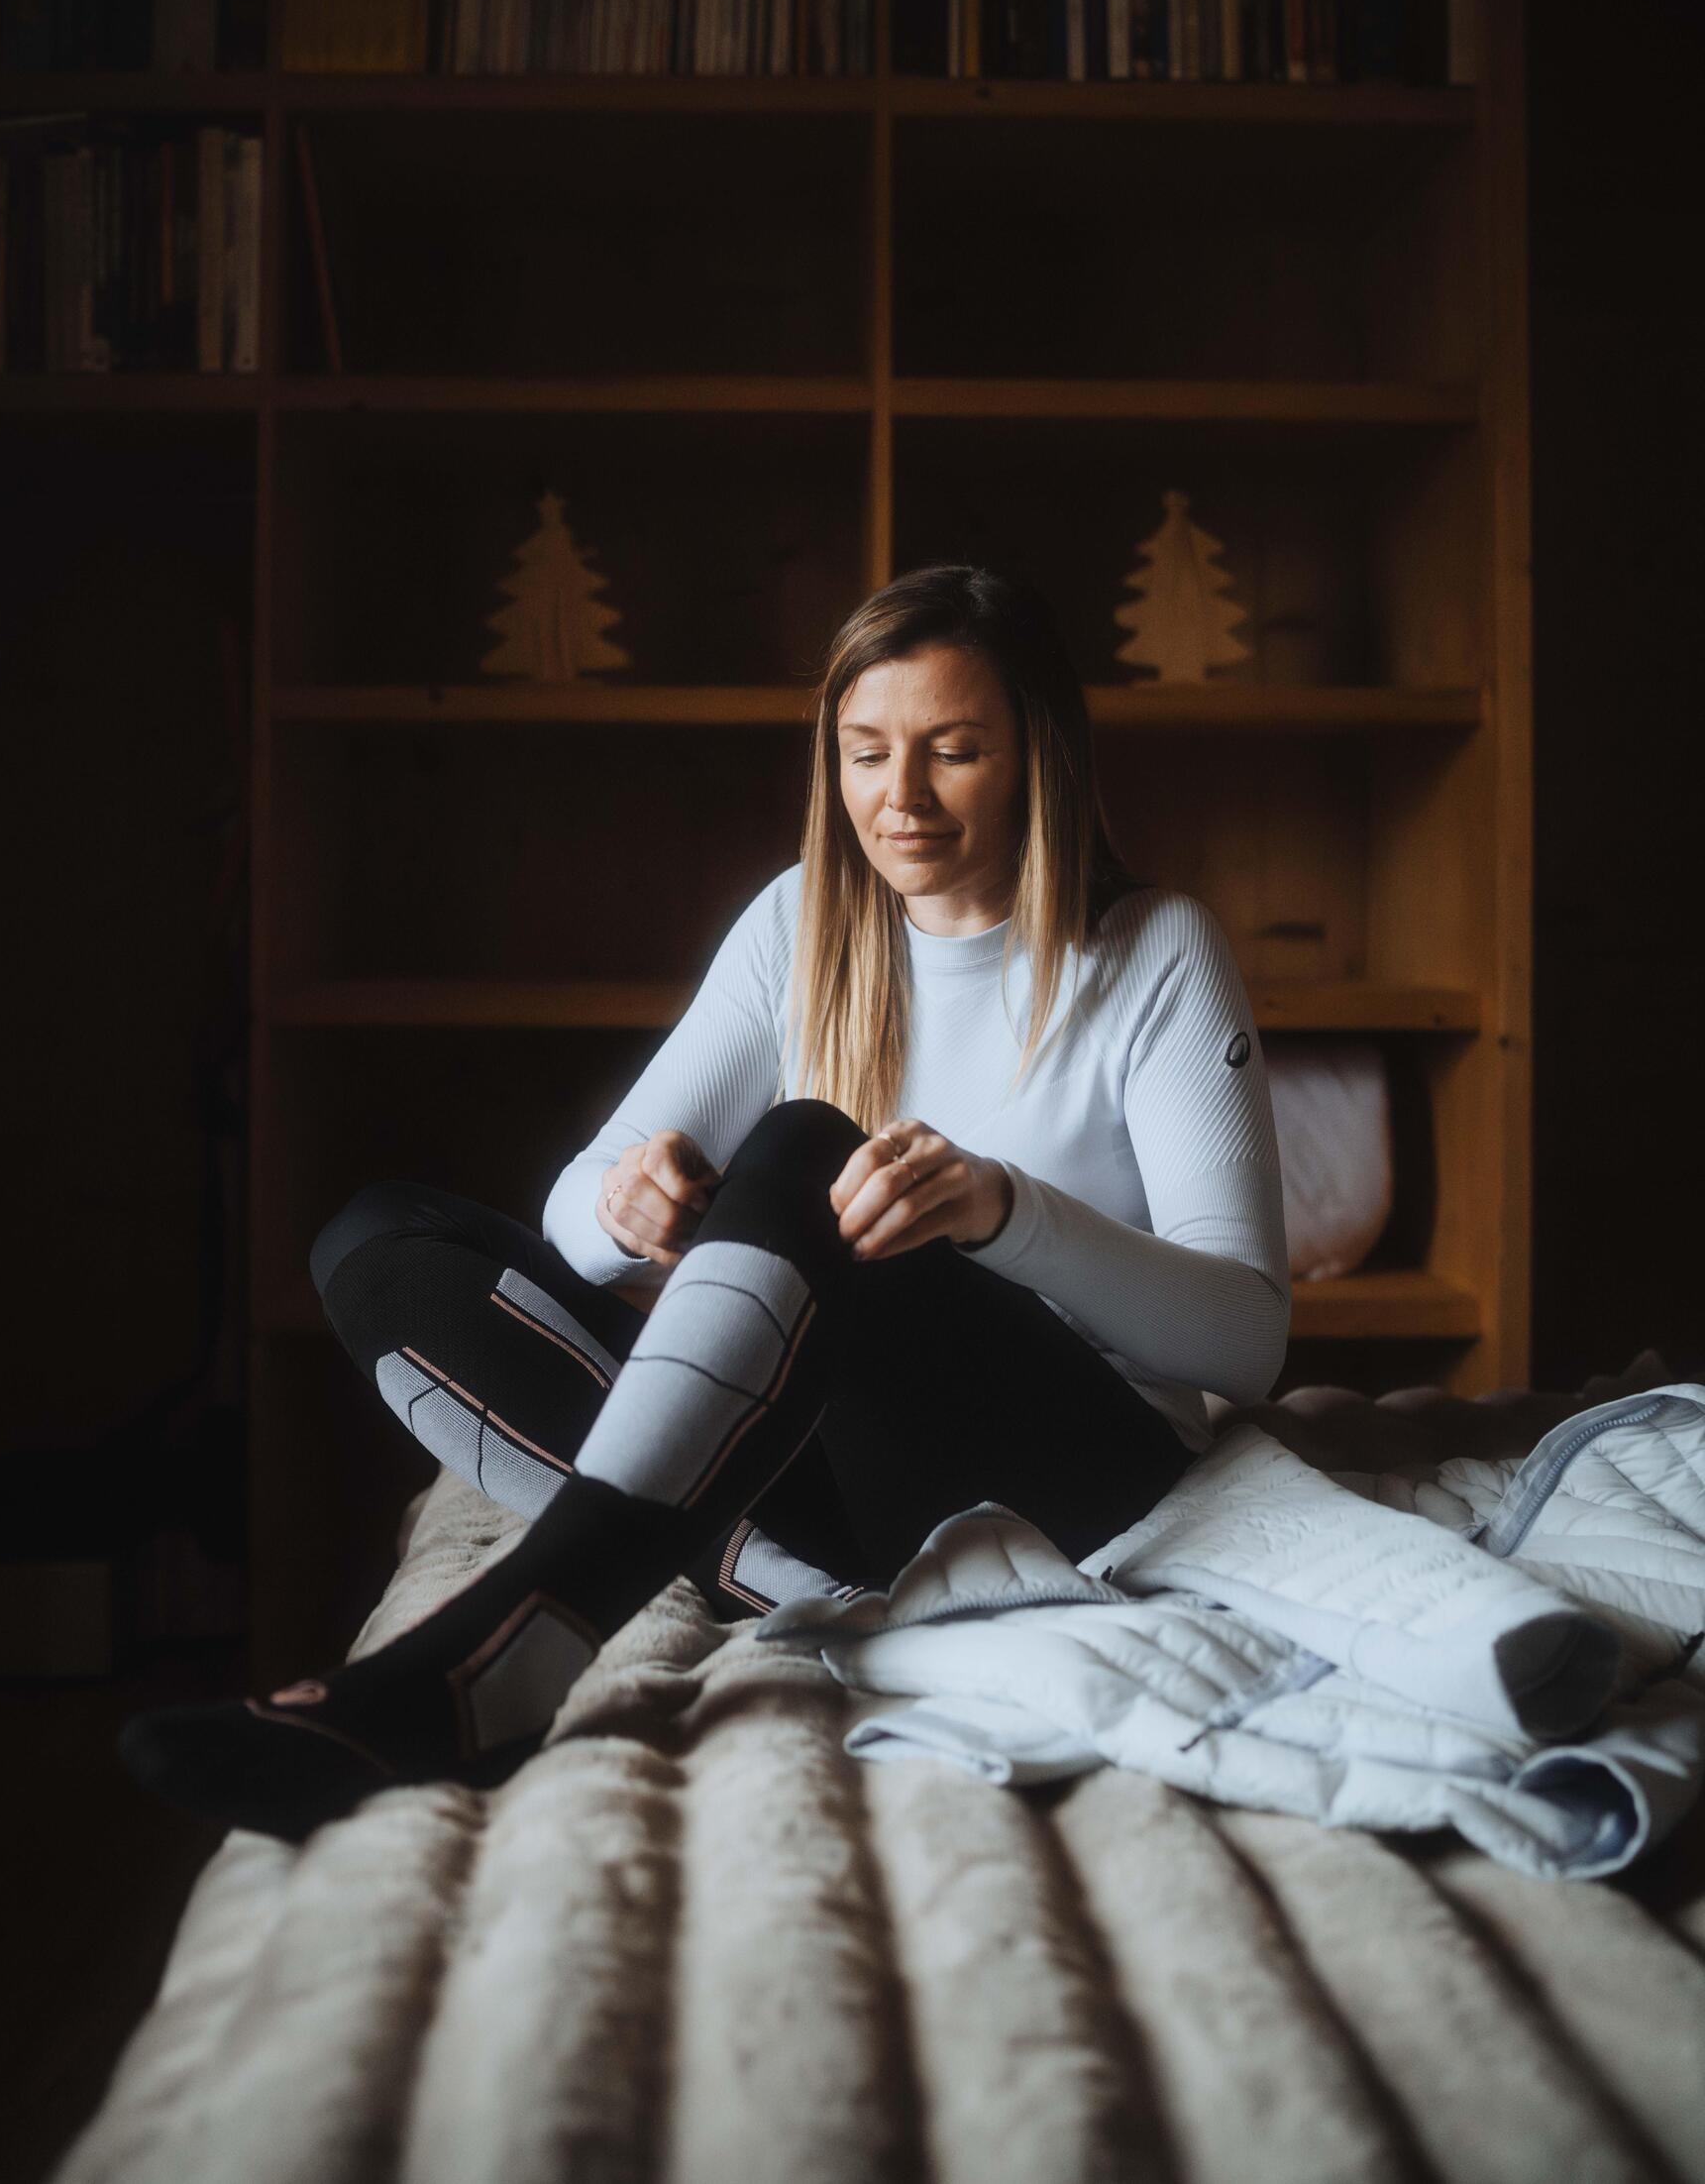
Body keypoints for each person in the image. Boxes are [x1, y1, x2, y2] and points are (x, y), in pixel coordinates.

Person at [120, 563, 1290, 1842]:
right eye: (866, 754)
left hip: (1076, 1471)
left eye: (953, 753)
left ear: (1038, 759)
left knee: (804, 1147)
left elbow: (1245, 1340)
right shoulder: (800, 923)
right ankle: (760, 1571)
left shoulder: (1156, 948)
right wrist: (628, 1210)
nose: (899, 799)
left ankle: (490, 1656)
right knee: (380, 1240)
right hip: (837, 1477)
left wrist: (1005, 1213)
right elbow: (578, 1201)